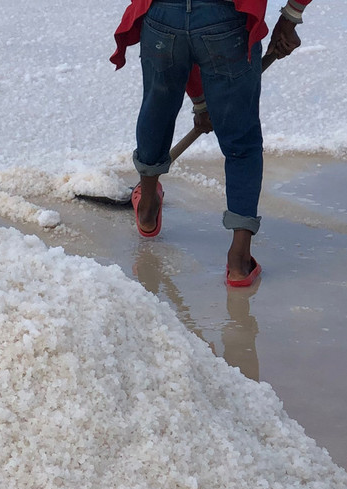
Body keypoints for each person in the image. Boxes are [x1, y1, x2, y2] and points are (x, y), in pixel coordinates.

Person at [111, 0, 308, 286]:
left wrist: (202, 101)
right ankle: (239, 261)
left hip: (163, 15)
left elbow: (187, 30)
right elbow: (201, 30)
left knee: (158, 107)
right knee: (241, 141)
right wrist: (291, 16)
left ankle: (148, 207)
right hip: (226, 19)